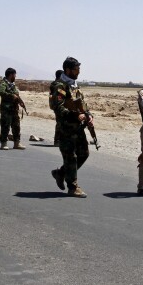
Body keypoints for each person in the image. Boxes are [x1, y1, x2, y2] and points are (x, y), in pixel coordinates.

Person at [50, 57, 92, 197]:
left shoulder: (74, 85)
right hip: (66, 127)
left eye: (79, 69)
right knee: (70, 157)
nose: (78, 72)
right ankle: (73, 187)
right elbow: (58, 107)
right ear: (67, 70)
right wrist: (75, 115)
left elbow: (82, 104)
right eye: (76, 69)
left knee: (84, 154)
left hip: (78, 128)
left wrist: (88, 115)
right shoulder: (59, 86)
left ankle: (60, 173)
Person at [0, 67, 26, 150]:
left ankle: (17, 143)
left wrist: (20, 101)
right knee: (5, 126)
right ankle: (3, 143)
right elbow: (1, 92)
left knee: (16, 126)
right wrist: (11, 96)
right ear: (11, 75)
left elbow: (17, 95)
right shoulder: (3, 84)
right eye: (14, 75)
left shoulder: (13, 85)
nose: (15, 77)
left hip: (14, 109)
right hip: (6, 109)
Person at [50, 69, 63, 146]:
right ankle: (57, 140)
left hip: (58, 105)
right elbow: (62, 92)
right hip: (58, 106)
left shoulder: (55, 83)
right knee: (60, 123)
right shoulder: (56, 84)